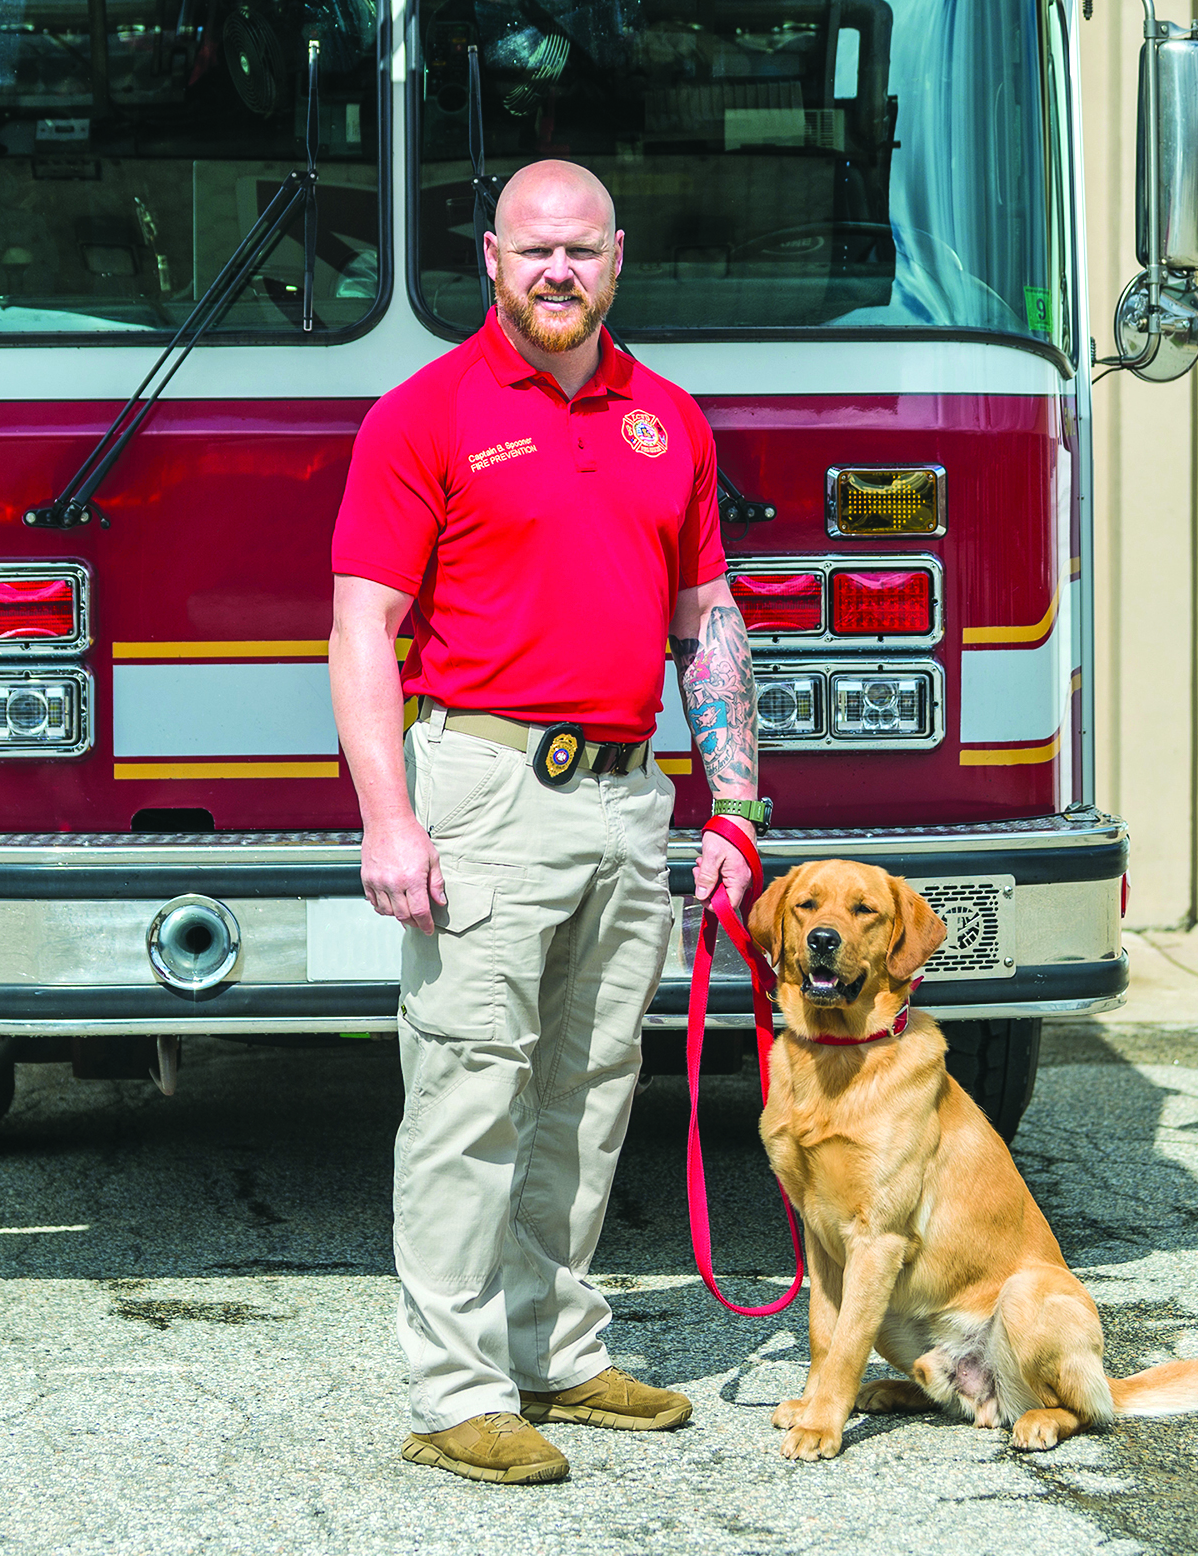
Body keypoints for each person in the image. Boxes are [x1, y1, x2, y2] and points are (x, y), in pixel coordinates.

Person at [327, 159, 763, 1485]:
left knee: (586, 1093)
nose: (558, 272)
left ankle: (554, 1348)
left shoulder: (669, 419)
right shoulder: (423, 415)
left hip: (630, 799)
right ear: (493, 260)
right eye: (534, 251)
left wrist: (738, 802)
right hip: (485, 787)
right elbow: (363, 630)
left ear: (618, 257)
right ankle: (458, 1389)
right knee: (469, 1093)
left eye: (580, 249)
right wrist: (389, 818)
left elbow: (708, 621)